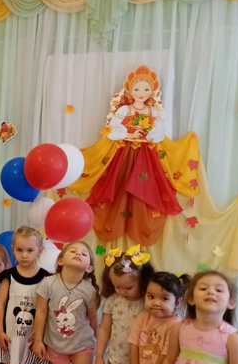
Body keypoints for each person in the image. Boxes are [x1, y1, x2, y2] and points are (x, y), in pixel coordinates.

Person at [70, 64, 199, 245]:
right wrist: (130, 134)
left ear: (152, 91)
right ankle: (116, 222)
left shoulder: (153, 111)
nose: (141, 93)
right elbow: (112, 128)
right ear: (130, 90)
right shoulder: (124, 110)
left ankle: (140, 224)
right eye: (137, 89)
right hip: (124, 154)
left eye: (146, 89)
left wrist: (146, 134)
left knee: (144, 187)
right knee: (119, 185)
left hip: (146, 156)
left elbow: (159, 131)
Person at [0, 226, 51, 364]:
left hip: (34, 337)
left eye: (30, 250)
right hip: (11, 334)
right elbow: (1, 304)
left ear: (40, 251)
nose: (24, 255)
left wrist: (40, 336)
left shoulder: (46, 278)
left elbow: (46, 309)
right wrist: (0, 331)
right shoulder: (8, 276)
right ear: (13, 250)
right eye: (19, 250)